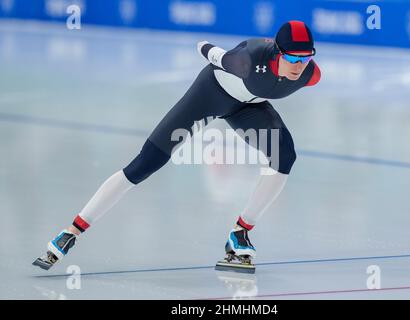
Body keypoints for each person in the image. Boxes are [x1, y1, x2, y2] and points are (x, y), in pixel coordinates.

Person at [33, 21, 321, 273]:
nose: (299, 65)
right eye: (293, 57)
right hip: (211, 94)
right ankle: (72, 231)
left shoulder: (311, 74)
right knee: (146, 163)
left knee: (284, 155)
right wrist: (203, 45)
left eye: (306, 57)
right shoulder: (247, 60)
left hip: (249, 108)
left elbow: (289, 77)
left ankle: (240, 232)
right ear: (278, 53)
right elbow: (209, 51)